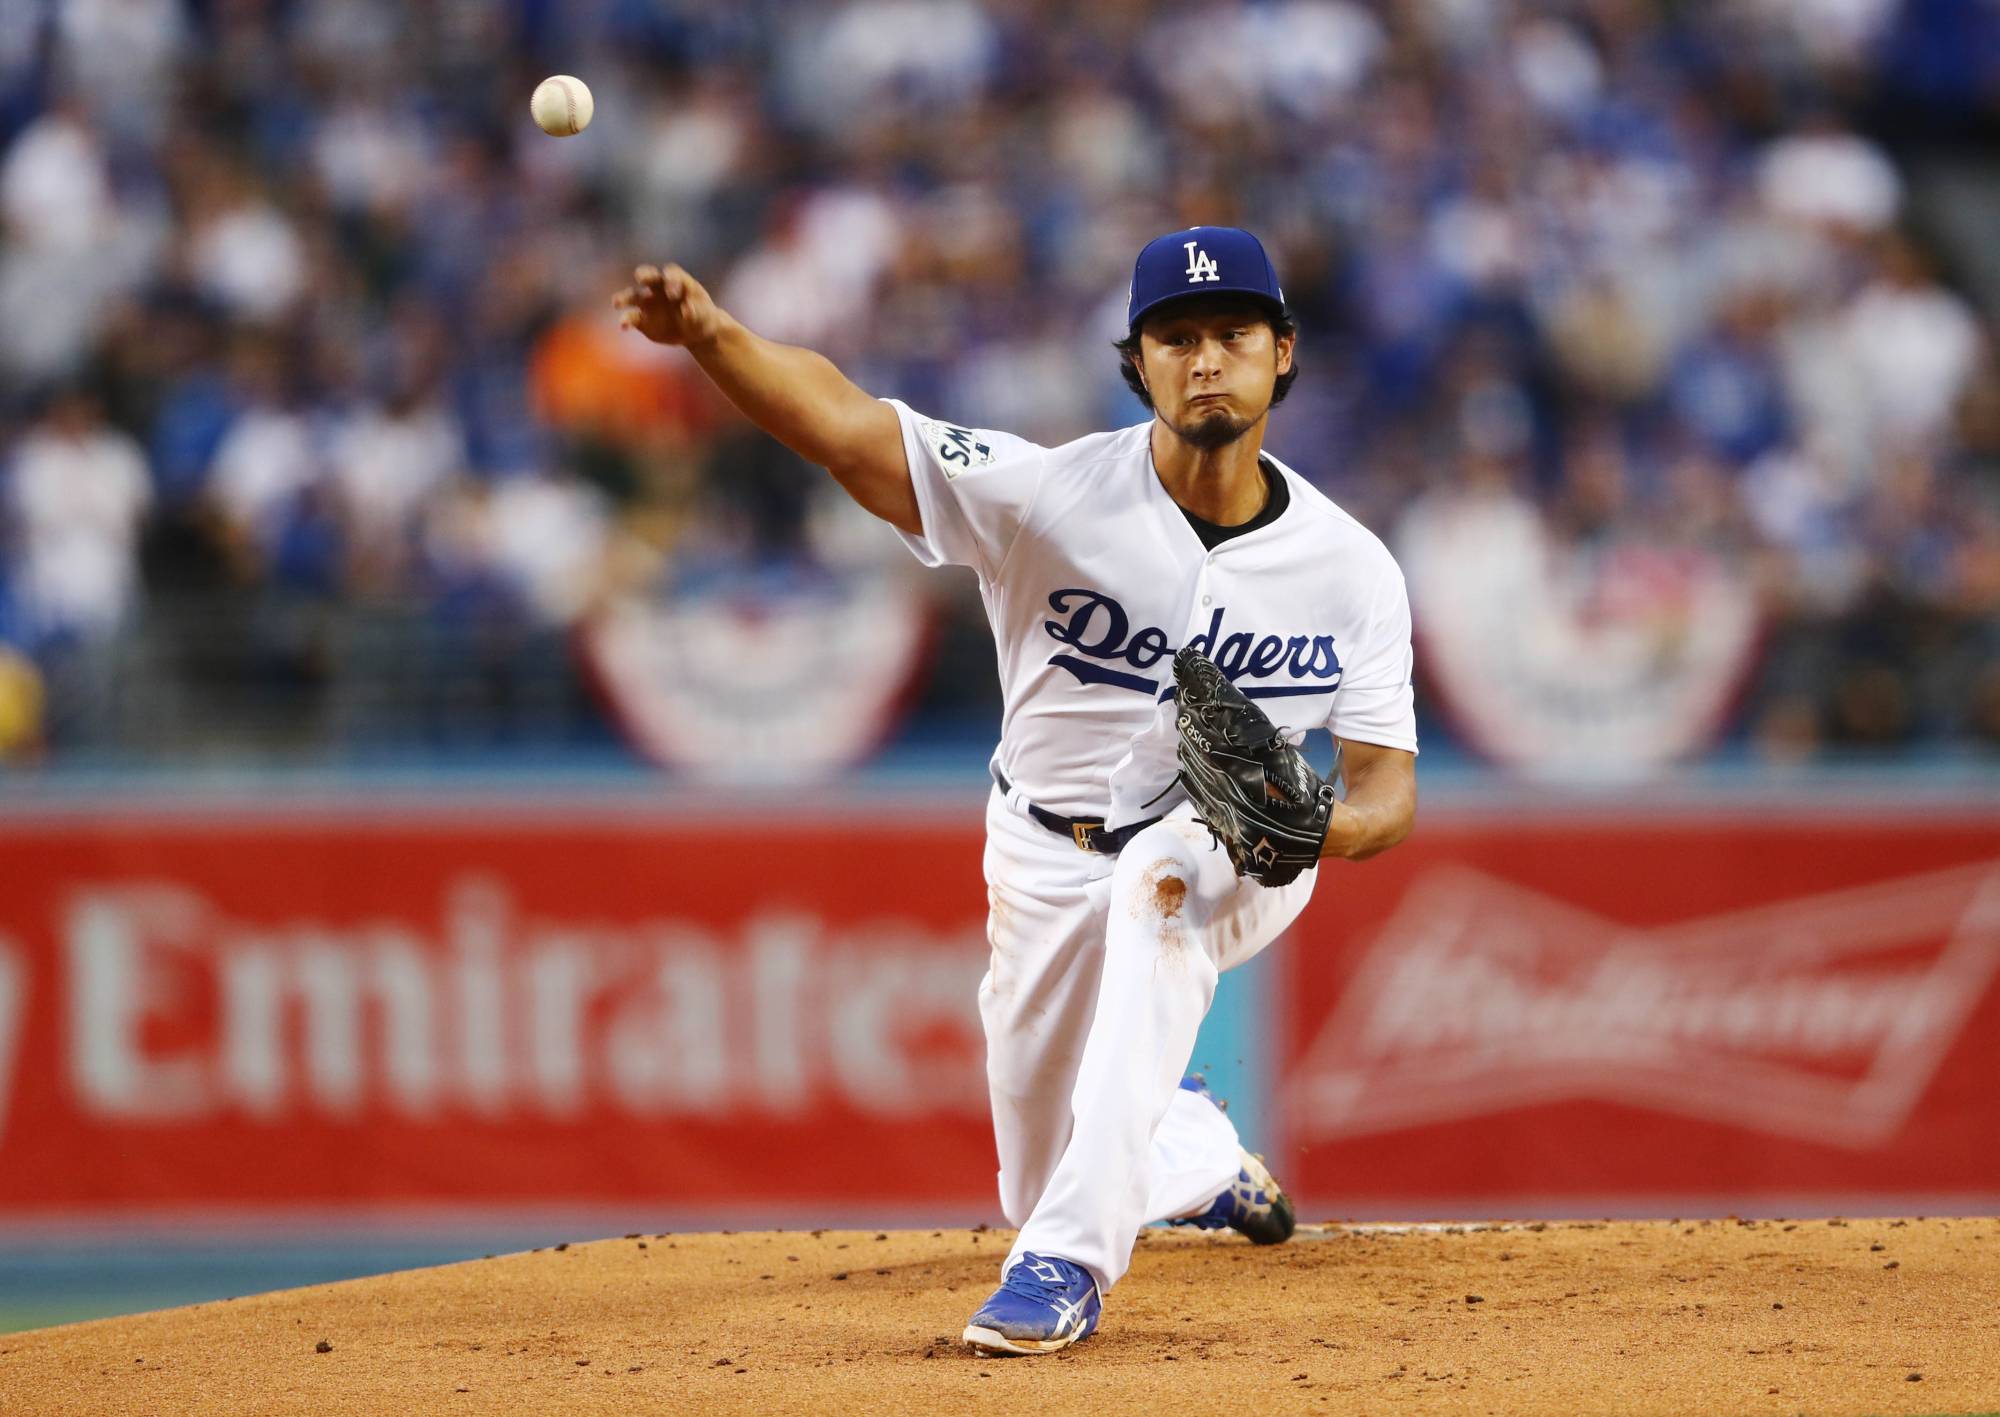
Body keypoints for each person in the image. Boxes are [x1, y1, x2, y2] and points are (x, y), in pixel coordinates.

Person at [614, 226, 1418, 1354]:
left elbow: (1386, 792)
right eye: (1172, 337)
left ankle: (1065, 1268)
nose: (1203, 359)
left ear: (1280, 354)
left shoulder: (1350, 567)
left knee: (1158, 880)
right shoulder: (1047, 495)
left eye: (1231, 334)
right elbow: (849, 429)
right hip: (1042, 849)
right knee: (1036, 1169)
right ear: (1134, 363)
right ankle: (1189, 1155)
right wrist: (709, 335)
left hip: (1231, 848)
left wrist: (1314, 822)